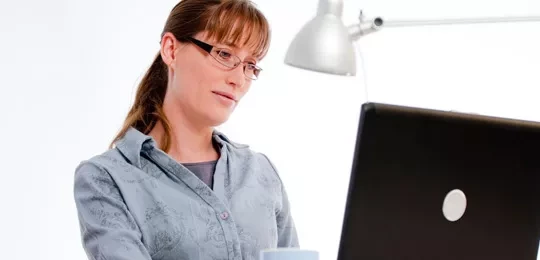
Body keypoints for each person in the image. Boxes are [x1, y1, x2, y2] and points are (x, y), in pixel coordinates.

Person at [73, 0, 299, 259]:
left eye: (250, 65)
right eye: (224, 54)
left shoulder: (261, 173)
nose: (238, 79)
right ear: (171, 49)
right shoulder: (106, 179)